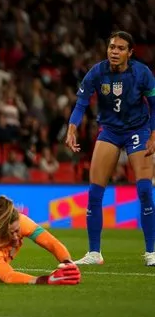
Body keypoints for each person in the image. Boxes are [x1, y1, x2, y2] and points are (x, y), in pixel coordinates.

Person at [65, 31, 155, 266]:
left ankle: (152, 252)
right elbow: (81, 103)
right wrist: (72, 127)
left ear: (130, 53)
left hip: (139, 130)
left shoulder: (142, 73)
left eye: (121, 48)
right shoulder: (97, 72)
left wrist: (154, 134)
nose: (115, 52)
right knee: (95, 192)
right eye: (112, 47)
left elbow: (154, 106)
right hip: (110, 131)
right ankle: (94, 253)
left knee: (145, 190)